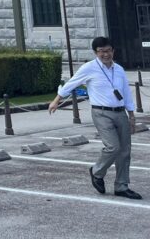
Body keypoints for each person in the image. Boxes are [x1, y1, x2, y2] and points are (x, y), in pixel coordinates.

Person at [49, 36, 141, 199]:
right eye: (101, 51)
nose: (105, 54)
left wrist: (131, 115)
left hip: (120, 112)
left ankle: (121, 186)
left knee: (125, 151)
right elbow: (72, 83)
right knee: (113, 147)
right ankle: (97, 172)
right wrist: (57, 100)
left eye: (108, 51)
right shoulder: (89, 68)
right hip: (101, 112)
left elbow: (126, 92)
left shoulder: (118, 69)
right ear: (95, 53)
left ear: (113, 51)